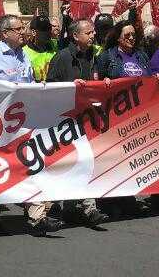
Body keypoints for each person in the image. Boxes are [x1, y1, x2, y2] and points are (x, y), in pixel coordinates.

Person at [0, 15, 60, 236]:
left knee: (31, 164)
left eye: (22, 28)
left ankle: (37, 217)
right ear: (5, 33)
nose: (23, 31)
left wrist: (37, 88)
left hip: (23, 124)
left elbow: (26, 84)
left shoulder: (23, 55)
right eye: (18, 28)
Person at [44, 20, 108, 226]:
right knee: (67, 164)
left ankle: (88, 209)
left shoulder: (93, 56)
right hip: (65, 121)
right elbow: (49, 86)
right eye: (88, 32)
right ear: (75, 36)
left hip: (87, 119)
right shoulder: (62, 57)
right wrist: (70, 86)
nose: (93, 35)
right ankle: (59, 206)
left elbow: (96, 80)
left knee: (86, 161)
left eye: (93, 32)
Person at [23, 16, 56, 83]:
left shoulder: (55, 48)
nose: (47, 33)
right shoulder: (24, 53)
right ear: (33, 32)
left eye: (49, 29)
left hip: (52, 91)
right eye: (43, 30)